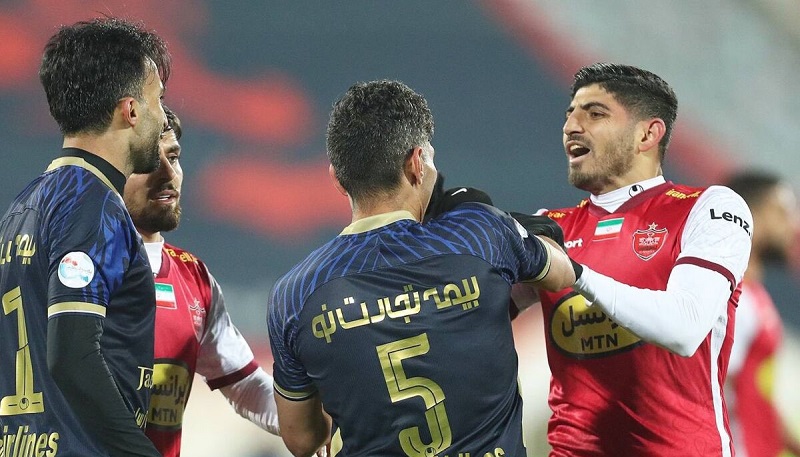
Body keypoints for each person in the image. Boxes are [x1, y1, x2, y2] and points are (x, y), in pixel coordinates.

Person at [267, 79, 576, 457]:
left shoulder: (294, 294)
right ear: (416, 163)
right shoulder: (480, 234)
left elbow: (302, 440)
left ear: (337, 179)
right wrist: (522, 228)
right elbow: (562, 273)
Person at [518, 63, 753, 456]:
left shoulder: (708, 208)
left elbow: (683, 329)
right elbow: (473, 312)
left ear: (648, 133)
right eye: (570, 114)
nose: (571, 126)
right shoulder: (549, 226)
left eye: (595, 114)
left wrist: (576, 274)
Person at [0, 17, 169, 457]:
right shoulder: (92, 205)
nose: (162, 116)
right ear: (131, 110)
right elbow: (72, 355)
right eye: (158, 100)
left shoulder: (19, 211)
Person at [123, 107, 325, 457]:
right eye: (149, 162)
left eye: (174, 158)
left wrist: (317, 420)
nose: (168, 173)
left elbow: (246, 385)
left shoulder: (194, 279)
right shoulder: (80, 264)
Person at [724, 171, 800, 457]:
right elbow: (711, 385)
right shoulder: (729, 295)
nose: (793, 225)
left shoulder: (756, 296)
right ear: (749, 213)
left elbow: (754, 392)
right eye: (782, 212)